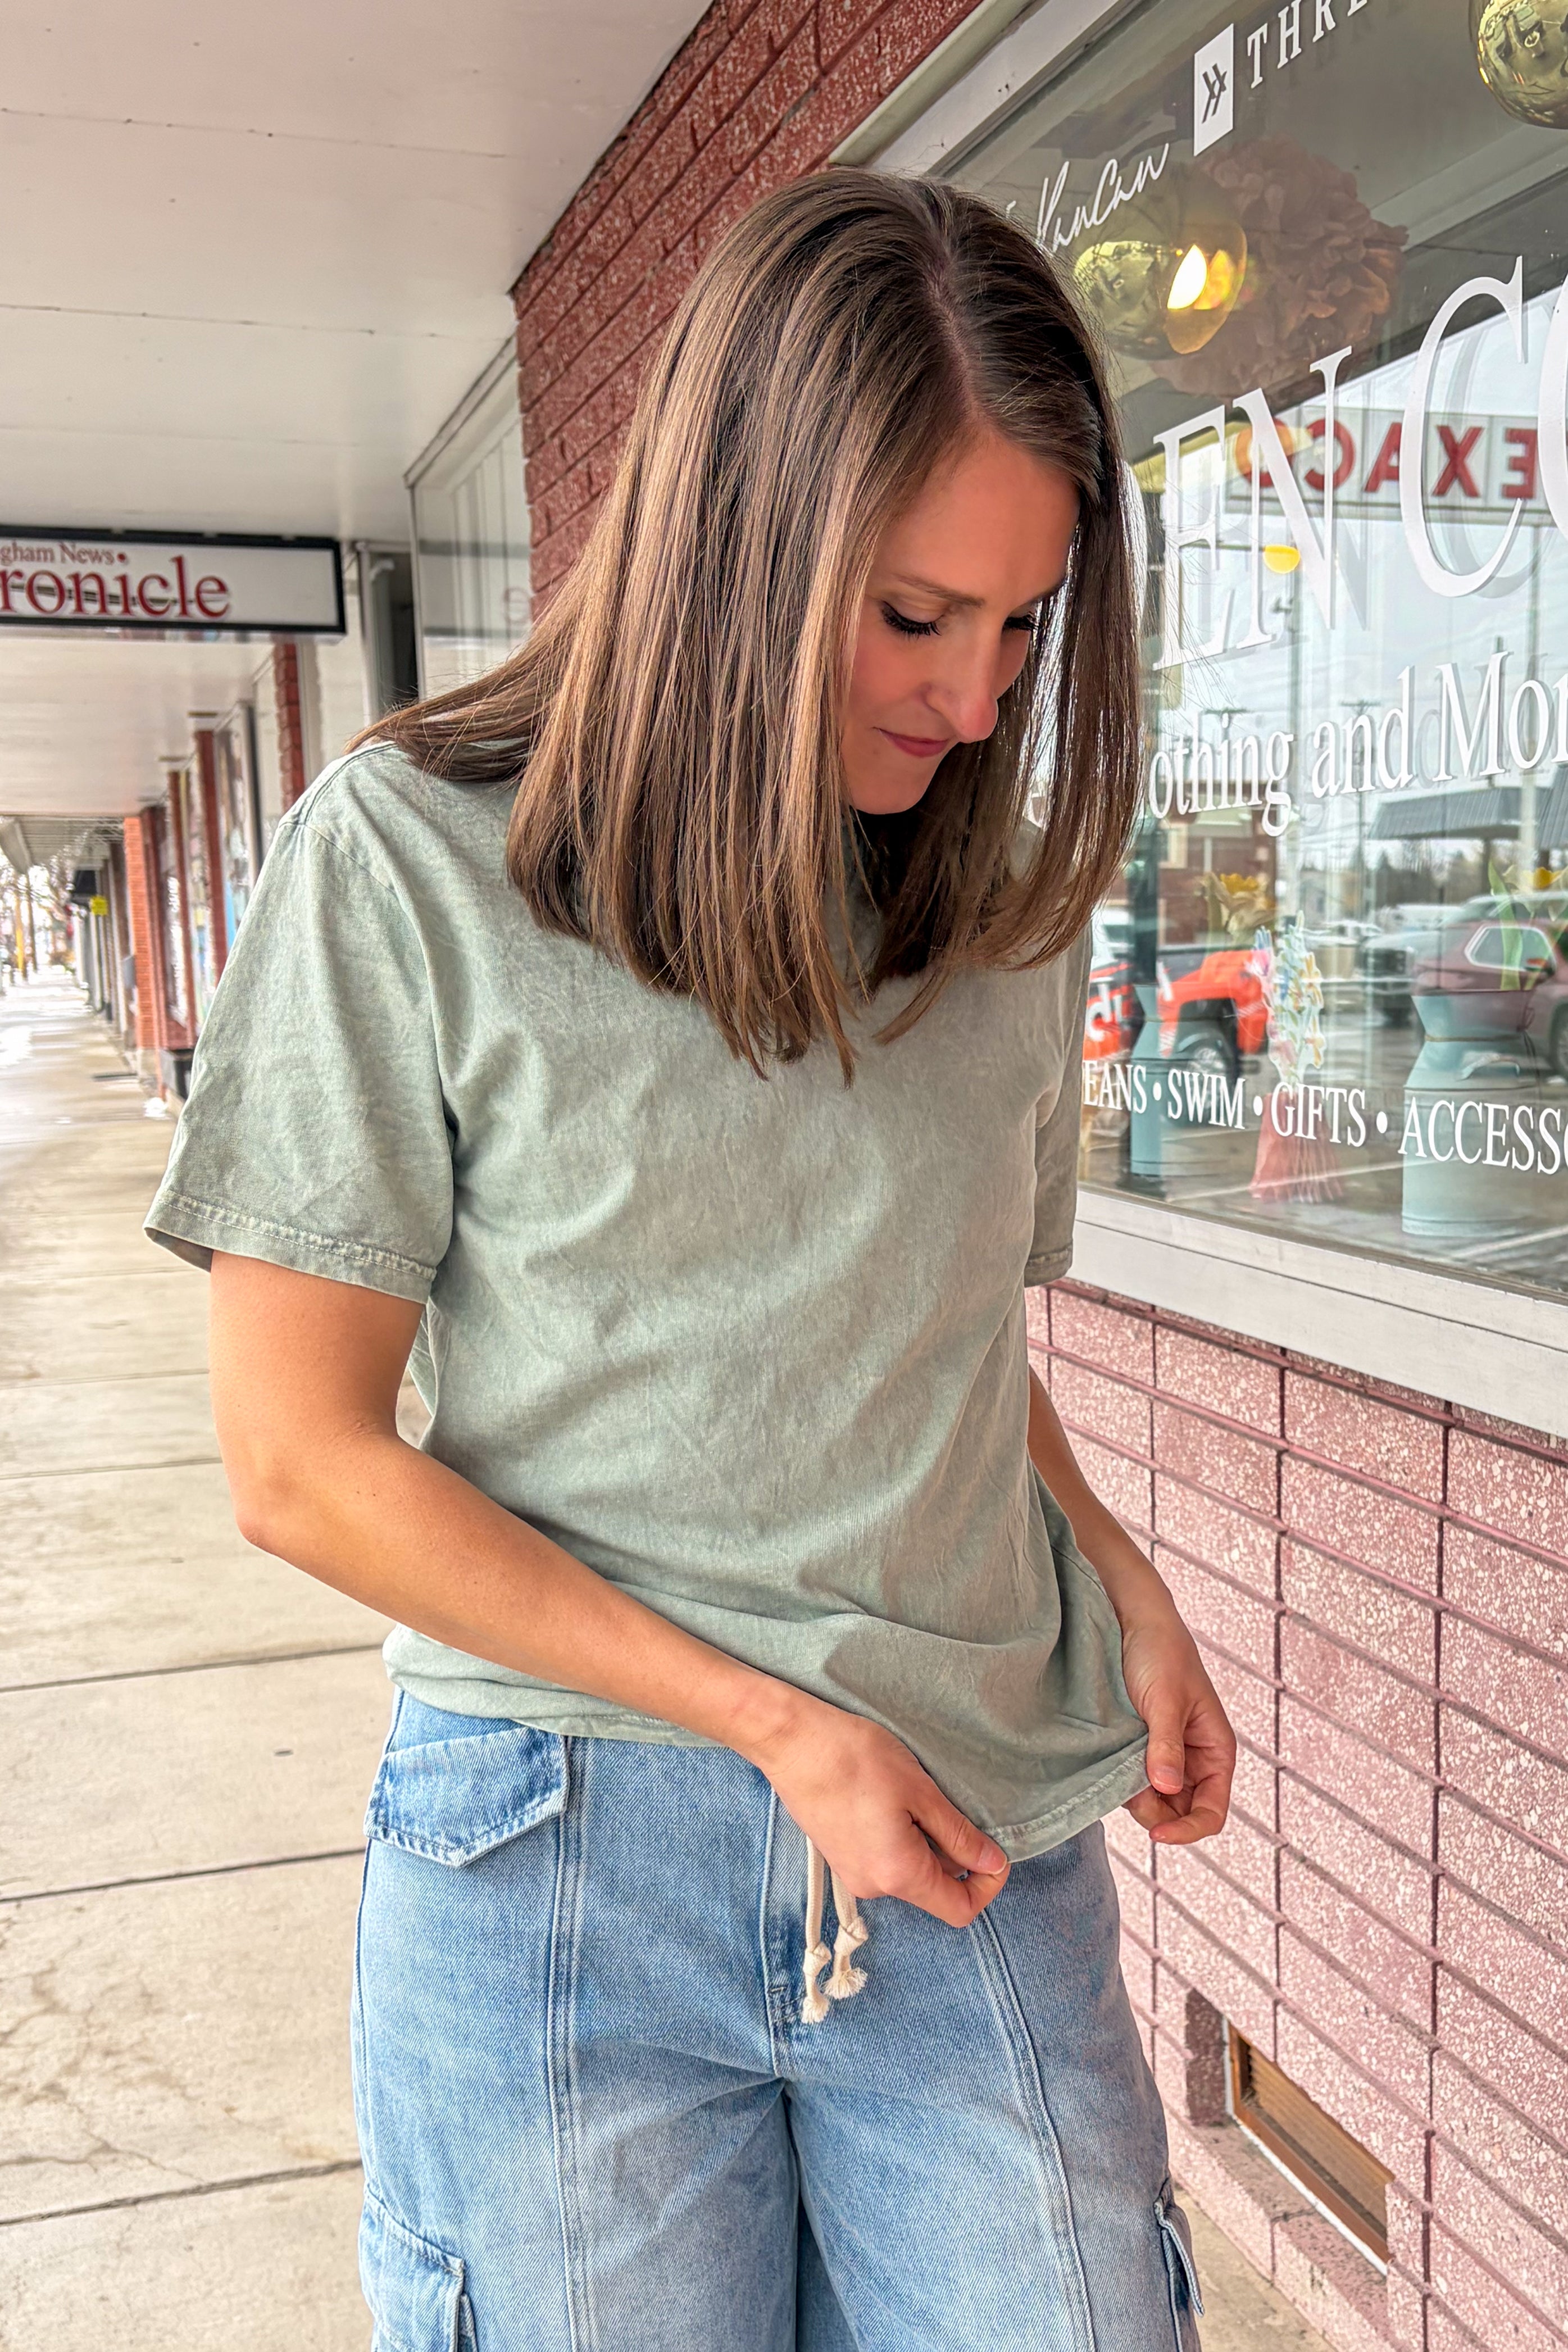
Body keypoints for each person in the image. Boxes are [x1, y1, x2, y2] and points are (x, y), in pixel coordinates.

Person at [146, 169, 1232, 2351]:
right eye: (915, 614)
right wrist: (756, 1719)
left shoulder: (990, 909)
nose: (969, 695)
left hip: (968, 1823)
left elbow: (923, 1323)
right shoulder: (405, 859)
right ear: (743, 540)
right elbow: (300, 1462)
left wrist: (1114, 1569)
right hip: (559, 1843)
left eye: (1022, 628)